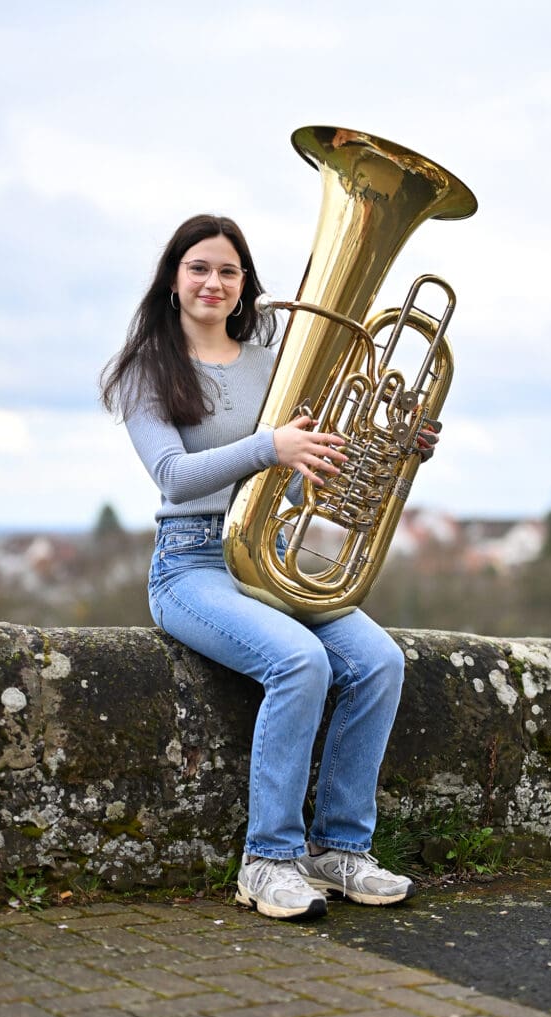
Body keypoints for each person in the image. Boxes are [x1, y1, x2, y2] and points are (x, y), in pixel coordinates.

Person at [100, 213, 439, 920]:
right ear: (172, 278)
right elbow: (174, 474)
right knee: (299, 662)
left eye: (229, 270)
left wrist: (395, 444)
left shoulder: (273, 352)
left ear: (245, 282)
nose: (214, 282)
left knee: (378, 661)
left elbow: (309, 458)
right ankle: (268, 860)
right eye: (198, 268)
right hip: (190, 566)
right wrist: (268, 446)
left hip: (269, 554)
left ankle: (339, 849)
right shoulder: (143, 370)